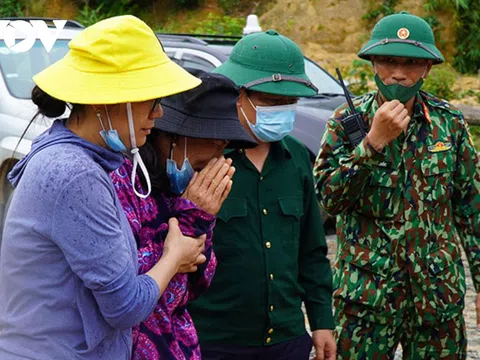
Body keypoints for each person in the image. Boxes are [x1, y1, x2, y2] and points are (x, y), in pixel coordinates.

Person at [0, 15, 205, 360]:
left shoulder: (74, 158)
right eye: (151, 100)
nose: (158, 114)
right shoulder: (76, 174)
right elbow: (125, 307)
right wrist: (174, 256)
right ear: (103, 102)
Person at [314, 11, 480, 359]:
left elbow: (471, 207)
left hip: (436, 297)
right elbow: (328, 198)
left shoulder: (448, 124)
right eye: (388, 61)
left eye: (412, 63)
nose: (399, 73)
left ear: (428, 68)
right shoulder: (346, 123)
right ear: (373, 63)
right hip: (365, 300)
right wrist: (372, 143)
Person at [188, 30, 336, 360]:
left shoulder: (296, 159)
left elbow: (312, 251)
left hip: (287, 339)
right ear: (238, 96)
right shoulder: (202, 160)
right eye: (271, 102)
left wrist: (322, 321)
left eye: (289, 102)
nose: (282, 110)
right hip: (216, 342)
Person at [110, 69, 256, 360]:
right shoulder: (121, 180)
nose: (220, 151)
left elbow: (194, 284)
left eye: (225, 142)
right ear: (172, 136)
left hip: (176, 345)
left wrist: (198, 216)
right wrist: (186, 229)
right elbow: (128, 284)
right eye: (214, 138)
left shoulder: (181, 187)